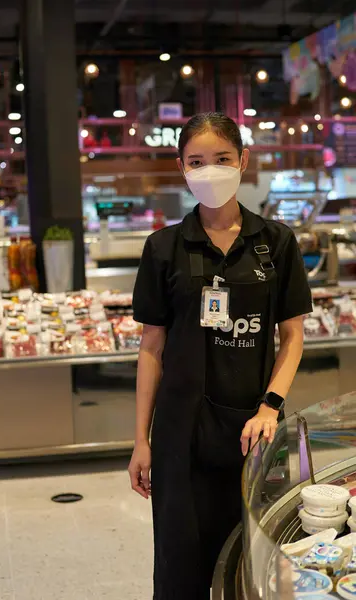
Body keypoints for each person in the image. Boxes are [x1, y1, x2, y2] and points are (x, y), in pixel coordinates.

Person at [128, 112, 313, 600]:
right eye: (196, 161)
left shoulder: (276, 243)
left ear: (243, 161)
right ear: (182, 168)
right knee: (179, 567)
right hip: (178, 436)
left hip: (252, 432)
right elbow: (151, 348)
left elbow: (292, 337)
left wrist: (271, 405)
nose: (209, 170)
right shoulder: (163, 247)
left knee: (252, 565)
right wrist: (140, 439)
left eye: (222, 159)